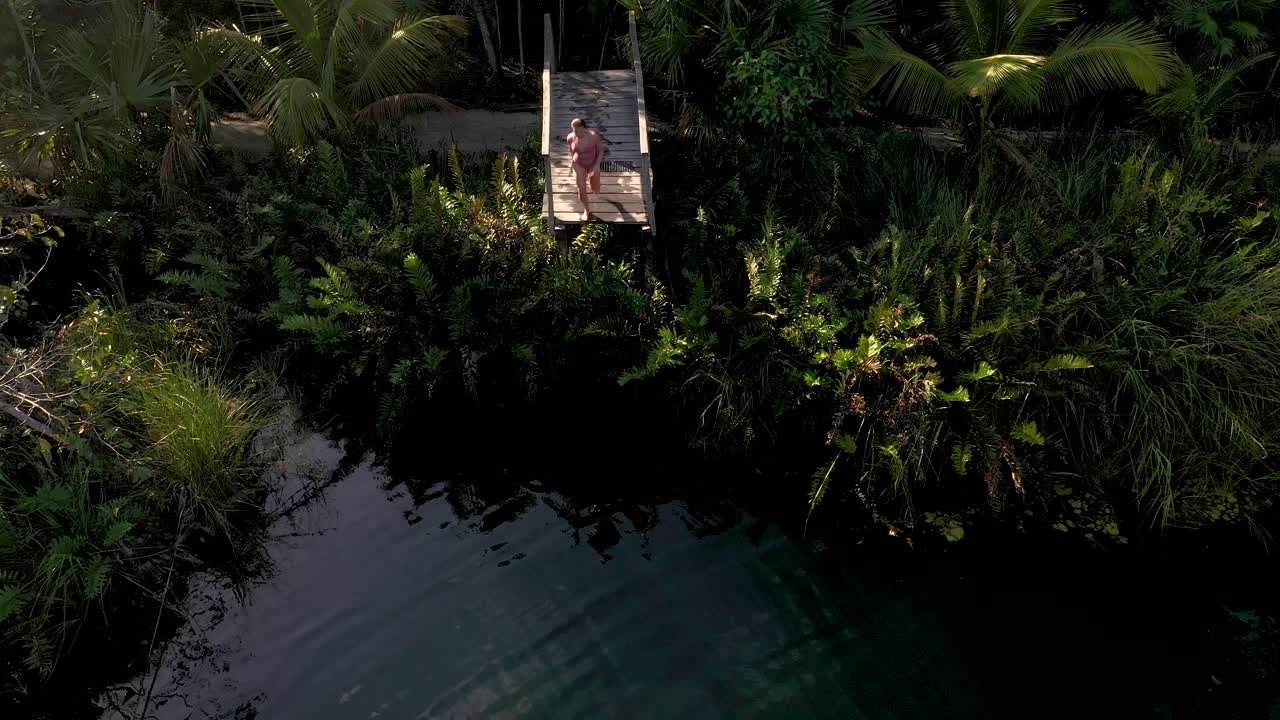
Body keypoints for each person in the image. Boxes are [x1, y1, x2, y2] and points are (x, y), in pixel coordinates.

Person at [566, 118, 605, 220]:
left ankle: (595, 191)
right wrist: (571, 163)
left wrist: (596, 165)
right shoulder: (570, 138)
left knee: (595, 189)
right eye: (574, 130)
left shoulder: (593, 137)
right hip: (579, 164)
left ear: (583, 128)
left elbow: (601, 151)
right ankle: (586, 211)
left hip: (592, 163)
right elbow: (570, 151)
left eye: (577, 131)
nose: (576, 133)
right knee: (581, 189)